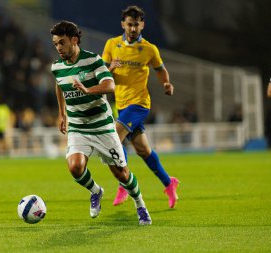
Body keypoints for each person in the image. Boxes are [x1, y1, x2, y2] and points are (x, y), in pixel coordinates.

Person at [50, 20, 151, 225]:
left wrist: (88, 90)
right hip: (78, 126)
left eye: (62, 42)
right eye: (55, 44)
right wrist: (62, 114)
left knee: (121, 173)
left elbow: (109, 84)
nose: (58, 48)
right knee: (75, 167)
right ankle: (96, 191)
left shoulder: (93, 60)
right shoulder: (57, 67)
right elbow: (59, 85)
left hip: (102, 125)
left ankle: (140, 204)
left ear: (74, 40)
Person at [102, 6, 180, 208]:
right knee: (143, 150)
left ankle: (124, 183)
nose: (133, 28)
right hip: (121, 104)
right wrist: (111, 68)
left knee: (114, 138)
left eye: (136, 24)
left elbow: (161, 70)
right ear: (123, 24)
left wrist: (166, 83)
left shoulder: (149, 49)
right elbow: (102, 72)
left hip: (140, 104)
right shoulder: (112, 45)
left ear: (142, 25)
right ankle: (169, 183)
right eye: (130, 24)